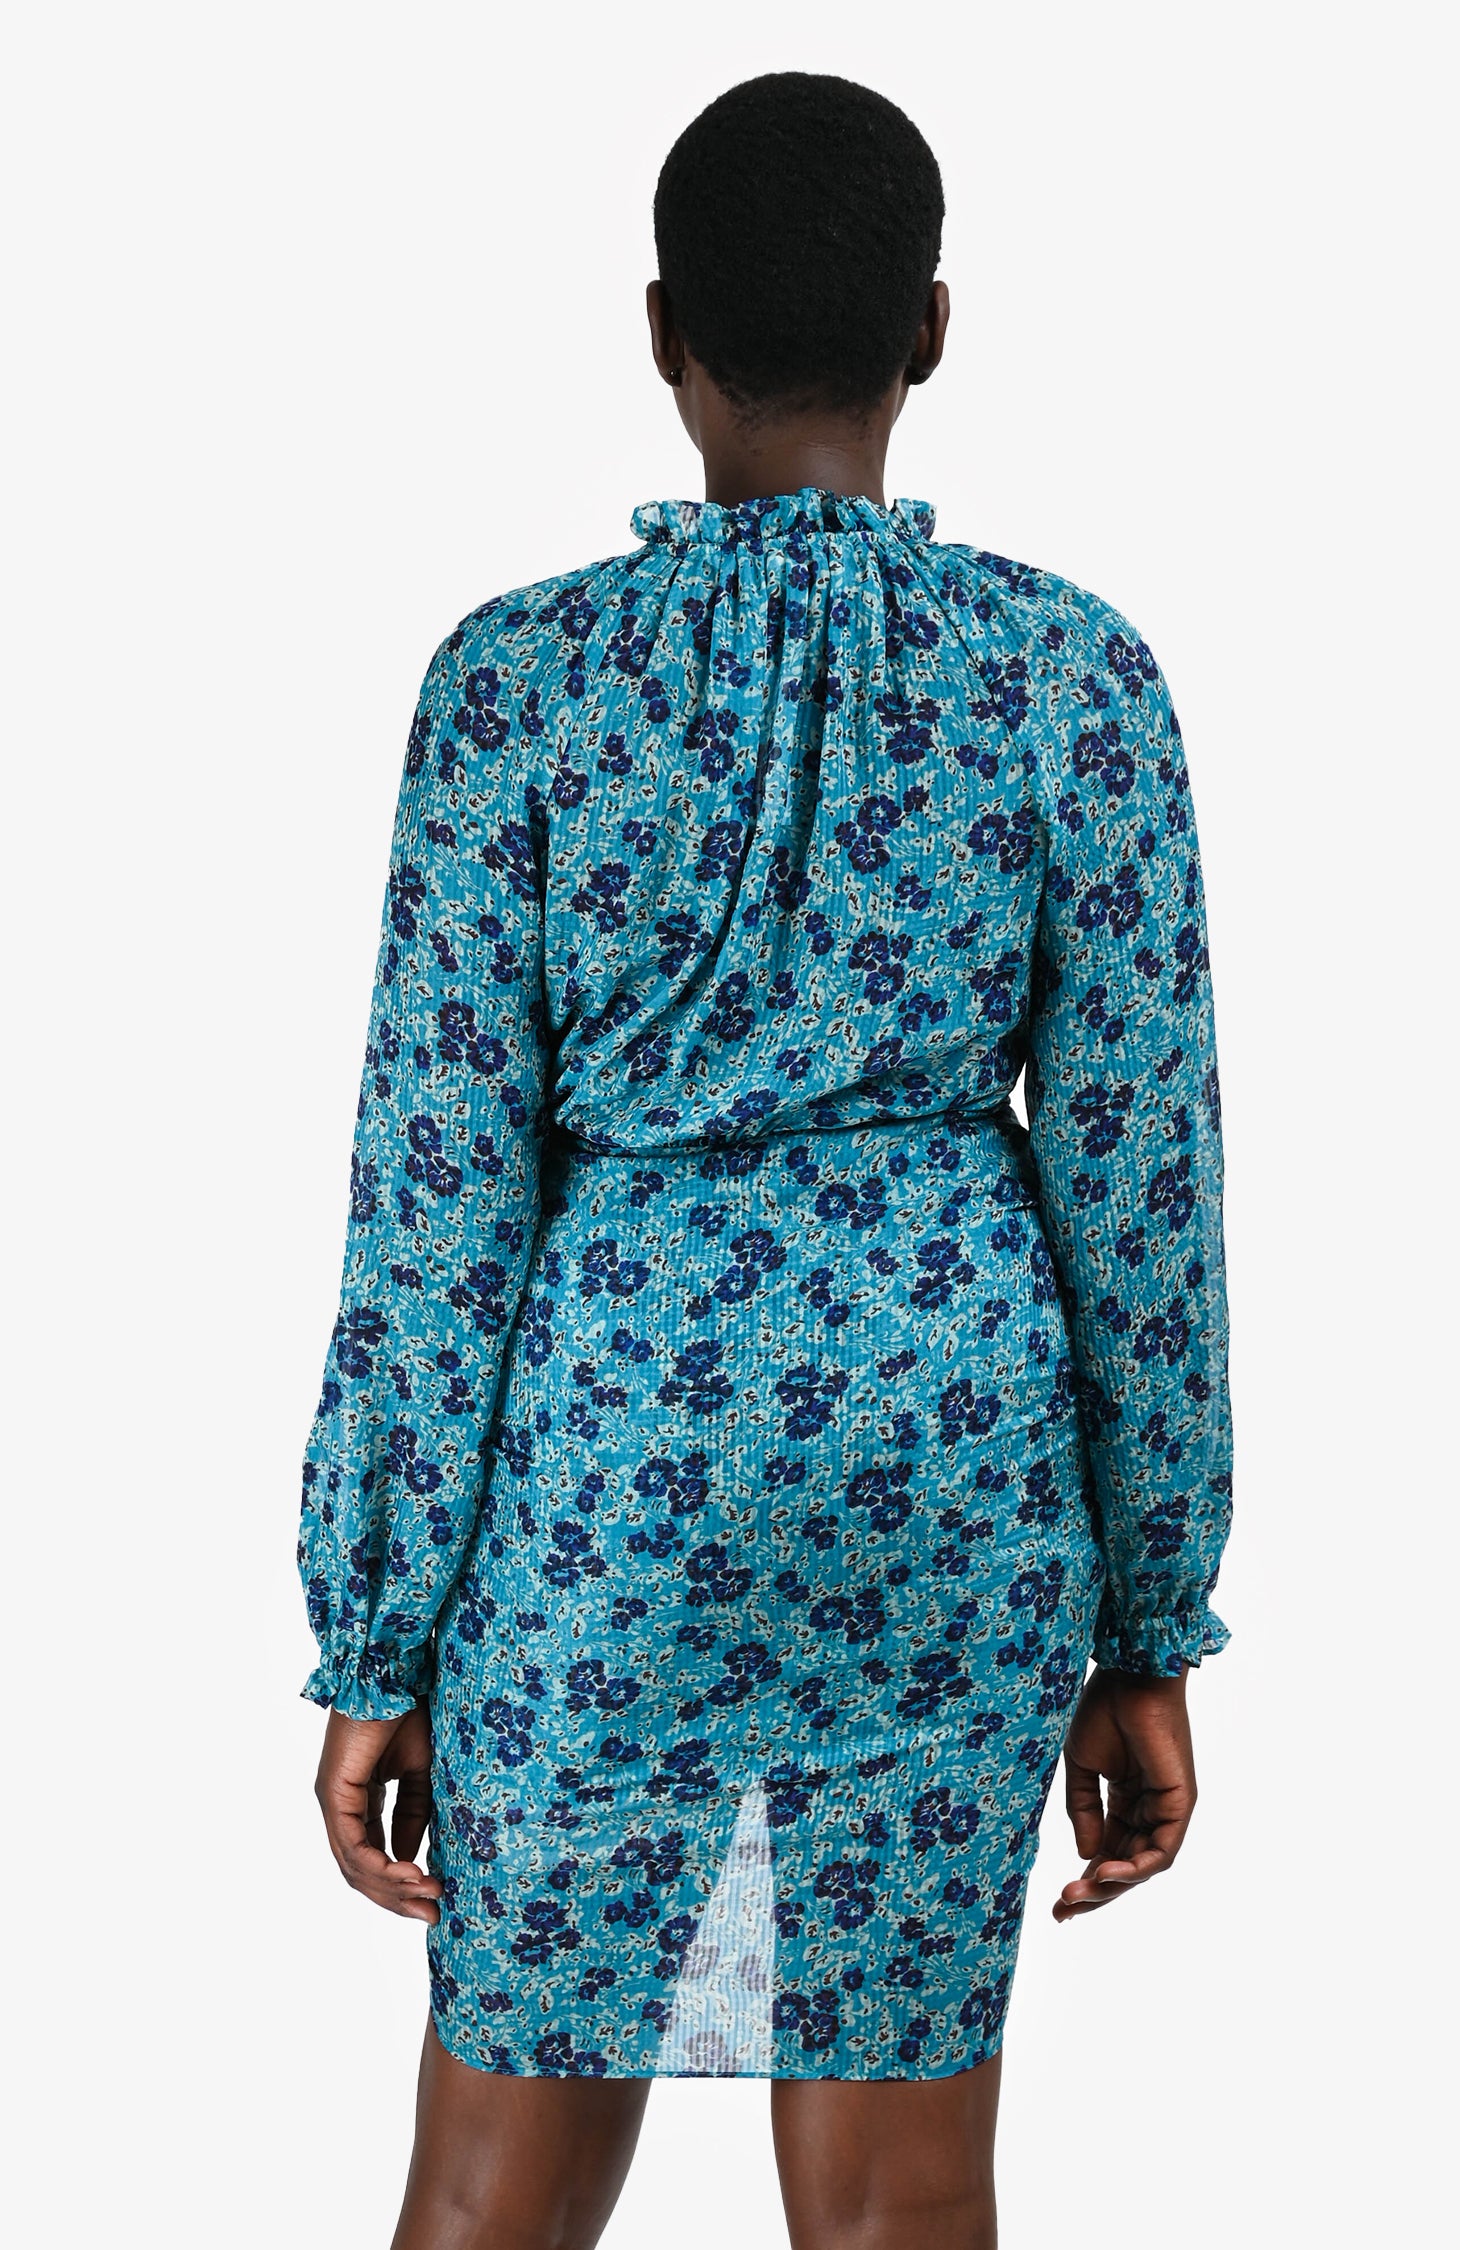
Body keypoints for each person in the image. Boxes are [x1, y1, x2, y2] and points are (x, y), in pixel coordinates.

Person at [300, 69, 1233, 2250]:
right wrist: (1149, 1616)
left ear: (661, 334)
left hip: (612, 1488)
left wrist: (377, 1639)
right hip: (951, 1479)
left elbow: (433, 1206)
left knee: (496, 2173)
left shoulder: (515, 685)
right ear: (932, 331)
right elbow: (1143, 1195)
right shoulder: (1073, 679)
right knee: (904, 2188)